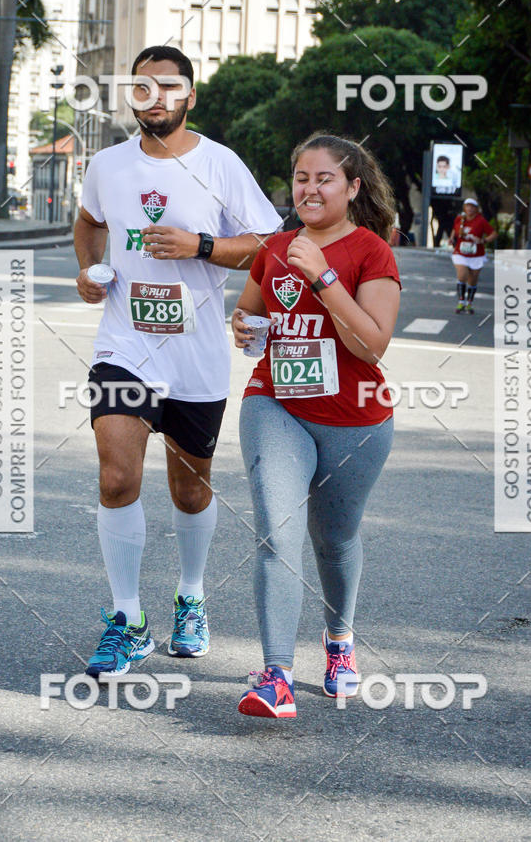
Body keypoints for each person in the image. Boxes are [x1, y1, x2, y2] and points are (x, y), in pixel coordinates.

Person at [74, 45, 281, 677]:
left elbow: (268, 244)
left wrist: (202, 245)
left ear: (191, 95)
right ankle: (127, 619)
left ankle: (190, 597)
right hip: (125, 347)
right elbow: (89, 222)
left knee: (190, 489)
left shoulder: (220, 164)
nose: (155, 97)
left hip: (195, 356)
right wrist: (88, 270)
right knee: (117, 478)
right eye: (143, 87)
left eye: (169, 86)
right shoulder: (108, 165)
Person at [231, 134, 401, 718]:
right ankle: (276, 676)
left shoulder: (372, 252)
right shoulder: (275, 248)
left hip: (356, 418)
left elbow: (371, 346)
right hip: (276, 404)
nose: (309, 188)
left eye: (324, 178)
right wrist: (244, 326)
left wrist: (325, 278)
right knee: (277, 533)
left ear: (352, 188)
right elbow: (250, 314)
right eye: (301, 177)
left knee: (335, 539)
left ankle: (339, 641)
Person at [449, 197, 496, 313]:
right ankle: (461, 302)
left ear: (476, 209)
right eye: (467, 206)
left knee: (473, 280)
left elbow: (494, 234)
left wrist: (483, 240)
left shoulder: (481, 221)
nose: (469, 208)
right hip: (460, 253)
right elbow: (454, 229)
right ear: (464, 208)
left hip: (476, 254)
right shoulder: (460, 219)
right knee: (462, 275)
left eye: (472, 206)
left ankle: (469, 303)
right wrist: (451, 238)